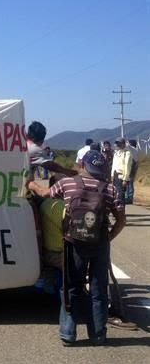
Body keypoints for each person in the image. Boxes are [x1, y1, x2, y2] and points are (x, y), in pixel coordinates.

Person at [28, 150, 126, 346]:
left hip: (73, 243)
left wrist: (30, 183)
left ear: (82, 165)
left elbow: (46, 193)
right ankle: (98, 334)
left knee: (71, 287)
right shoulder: (110, 189)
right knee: (98, 289)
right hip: (99, 244)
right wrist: (108, 237)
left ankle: (68, 334)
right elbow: (121, 220)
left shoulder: (68, 184)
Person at [111, 138, 131, 205]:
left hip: (121, 176)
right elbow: (113, 165)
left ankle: (121, 210)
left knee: (121, 193)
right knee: (115, 193)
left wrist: (125, 179)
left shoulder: (127, 153)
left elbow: (127, 167)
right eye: (117, 143)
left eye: (119, 143)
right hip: (115, 175)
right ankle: (116, 208)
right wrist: (112, 176)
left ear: (123, 144)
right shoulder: (116, 153)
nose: (118, 145)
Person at [125, 139, 139, 205]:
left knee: (129, 183)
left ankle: (129, 198)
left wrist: (125, 141)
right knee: (130, 183)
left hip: (131, 167)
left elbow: (128, 147)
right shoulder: (135, 150)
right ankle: (129, 198)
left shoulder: (132, 149)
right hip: (134, 166)